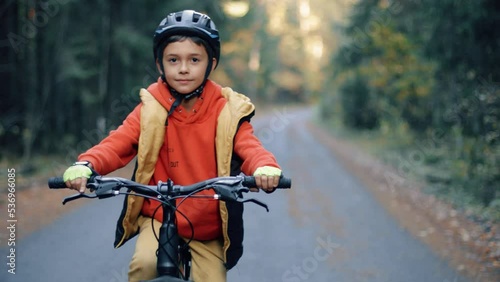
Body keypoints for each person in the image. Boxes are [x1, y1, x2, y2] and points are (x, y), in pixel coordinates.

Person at [62, 10, 282, 282]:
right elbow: (118, 142)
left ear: (211, 64)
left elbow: (249, 146)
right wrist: (87, 163)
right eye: (173, 60)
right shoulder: (151, 107)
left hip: (207, 225)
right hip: (158, 216)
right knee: (143, 266)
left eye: (194, 60)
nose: (184, 68)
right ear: (160, 64)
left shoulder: (227, 109)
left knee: (212, 279)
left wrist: (264, 166)